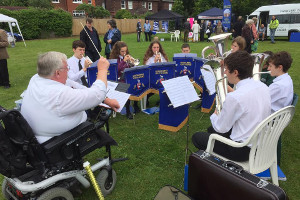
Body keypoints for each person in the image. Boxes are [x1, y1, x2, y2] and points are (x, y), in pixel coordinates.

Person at [21, 51, 120, 143]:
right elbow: (98, 94)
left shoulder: (37, 78)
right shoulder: (59, 94)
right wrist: (102, 69)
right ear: (57, 73)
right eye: (66, 68)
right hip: (59, 142)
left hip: (38, 135)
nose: (68, 70)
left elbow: (72, 83)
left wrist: (106, 100)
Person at [192, 51, 271, 162]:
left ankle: (214, 165)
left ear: (235, 72)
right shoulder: (264, 87)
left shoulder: (235, 97)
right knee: (210, 130)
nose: (224, 72)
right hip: (261, 142)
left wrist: (215, 115)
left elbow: (221, 128)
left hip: (241, 150)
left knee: (197, 137)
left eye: (226, 69)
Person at [109, 41, 140, 119]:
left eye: (125, 51)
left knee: (136, 85)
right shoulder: (114, 59)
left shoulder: (127, 56)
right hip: (119, 80)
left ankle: (135, 105)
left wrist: (132, 63)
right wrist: (123, 61)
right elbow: (116, 70)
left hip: (127, 78)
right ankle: (128, 111)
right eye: (122, 51)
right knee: (127, 88)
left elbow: (131, 68)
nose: (124, 52)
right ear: (117, 51)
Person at [143, 41, 168, 106]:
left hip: (161, 76)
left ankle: (163, 99)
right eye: (154, 47)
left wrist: (160, 61)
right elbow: (147, 69)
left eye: (157, 47)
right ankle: (147, 97)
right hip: (151, 77)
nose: (156, 49)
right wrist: (154, 61)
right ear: (151, 48)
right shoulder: (149, 57)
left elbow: (166, 67)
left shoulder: (162, 56)